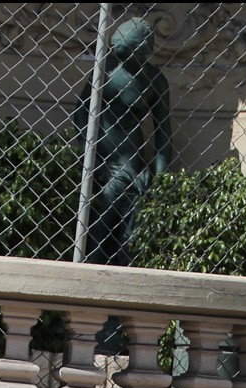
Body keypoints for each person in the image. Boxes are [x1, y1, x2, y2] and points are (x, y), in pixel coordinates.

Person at [78, 18, 173, 266]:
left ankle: (102, 266)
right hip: (100, 156)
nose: (122, 59)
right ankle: (91, 269)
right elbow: (80, 113)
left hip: (127, 162)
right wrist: (87, 155)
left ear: (143, 52)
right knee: (103, 221)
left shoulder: (154, 81)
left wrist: (159, 177)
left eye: (129, 55)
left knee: (115, 224)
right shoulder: (104, 72)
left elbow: (163, 132)